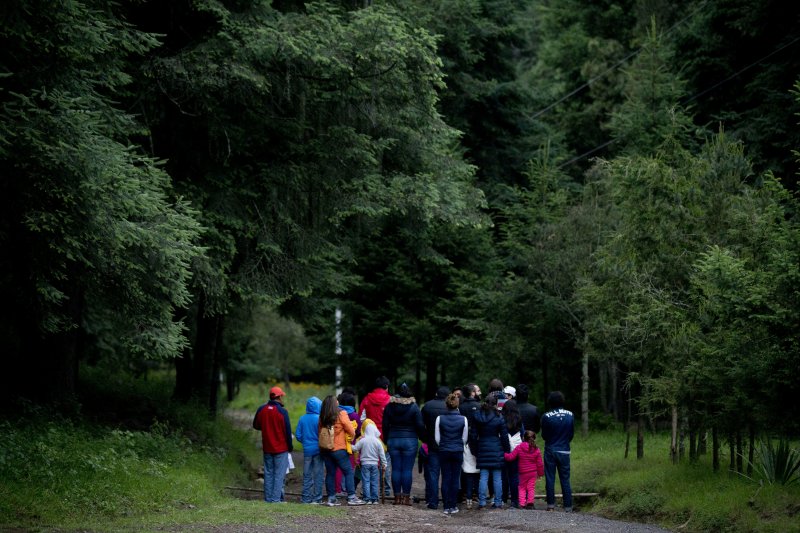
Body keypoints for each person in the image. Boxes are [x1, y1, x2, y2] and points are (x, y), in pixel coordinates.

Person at [319, 395, 366, 506]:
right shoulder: (341, 413)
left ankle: (331, 499)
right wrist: (350, 437)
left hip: (325, 449)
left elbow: (319, 431)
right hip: (339, 448)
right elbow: (351, 430)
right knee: (348, 471)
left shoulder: (322, 416)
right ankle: (351, 497)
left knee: (330, 473)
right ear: (335, 403)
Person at [382, 382, 425, 506]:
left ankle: (396, 498)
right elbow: (420, 425)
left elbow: (385, 425)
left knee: (396, 469)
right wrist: (422, 438)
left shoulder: (389, 406)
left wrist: (386, 439)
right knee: (406, 470)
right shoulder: (414, 407)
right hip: (410, 440)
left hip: (393, 439)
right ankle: (406, 498)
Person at [252, 386, 293, 503]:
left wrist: (266, 427)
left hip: (267, 448)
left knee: (268, 473)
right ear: (279, 397)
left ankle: (268, 499)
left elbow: (256, 425)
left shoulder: (261, 409)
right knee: (279, 475)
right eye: (282, 397)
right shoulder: (282, 412)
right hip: (281, 448)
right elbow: (287, 431)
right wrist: (290, 447)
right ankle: (275, 500)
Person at [472, 394, 510, 510]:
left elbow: (473, 435)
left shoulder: (477, 415)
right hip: (496, 447)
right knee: (497, 478)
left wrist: (475, 450)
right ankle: (498, 502)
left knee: (483, 477)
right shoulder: (499, 416)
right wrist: (506, 449)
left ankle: (482, 502)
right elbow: (504, 436)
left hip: (482, 447)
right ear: (495, 404)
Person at [541, 391, 574, 512]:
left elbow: (544, 435)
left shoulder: (546, 416)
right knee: (565, 478)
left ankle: (550, 505)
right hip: (564, 450)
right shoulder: (570, 415)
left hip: (550, 449)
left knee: (550, 478)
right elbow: (571, 434)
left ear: (550, 402)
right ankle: (568, 506)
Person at [435, 392, 468, 515]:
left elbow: (437, 438)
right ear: (457, 404)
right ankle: (453, 506)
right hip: (457, 451)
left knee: (445, 477)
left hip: (444, 450)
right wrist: (458, 446)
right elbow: (464, 438)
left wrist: (444, 445)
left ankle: (446, 506)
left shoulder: (439, 418)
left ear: (446, 404)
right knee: (455, 478)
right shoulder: (463, 419)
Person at [359, 376, 392, 496]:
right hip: (385, 435)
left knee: (369, 462)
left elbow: (361, 418)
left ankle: (367, 490)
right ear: (386, 387)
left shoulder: (367, 399)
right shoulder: (389, 400)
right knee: (385, 462)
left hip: (369, 436)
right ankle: (386, 490)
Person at [421, 385, 450, 509]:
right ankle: (447, 501)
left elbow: (421, 424)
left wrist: (425, 439)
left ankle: (433, 502)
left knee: (433, 474)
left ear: (436, 394)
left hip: (432, 445)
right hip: (447, 445)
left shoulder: (427, 406)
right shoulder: (451, 407)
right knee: (447, 474)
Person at [504, 430, 544, 509]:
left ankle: (522, 504)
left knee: (522, 487)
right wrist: (540, 474)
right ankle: (530, 503)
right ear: (534, 439)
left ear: (523, 438)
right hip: (533, 472)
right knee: (531, 487)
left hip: (523, 472)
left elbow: (510, 457)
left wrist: (504, 454)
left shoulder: (519, 447)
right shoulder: (536, 449)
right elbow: (540, 464)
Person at [295, 396, 324, 504]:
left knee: (307, 475)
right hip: (318, 450)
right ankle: (317, 498)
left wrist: (306, 442)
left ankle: (306, 498)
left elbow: (298, 435)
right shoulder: (320, 418)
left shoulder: (302, 418)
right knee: (318, 475)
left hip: (307, 451)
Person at [352, 419, 387, 505]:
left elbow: (355, 448)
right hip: (375, 465)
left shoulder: (363, 440)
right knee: (374, 481)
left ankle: (367, 498)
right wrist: (384, 463)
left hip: (365, 464)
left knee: (366, 481)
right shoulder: (377, 442)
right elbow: (382, 454)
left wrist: (348, 445)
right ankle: (374, 499)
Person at [459, 384, 481, 507]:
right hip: (477, 440)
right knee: (477, 468)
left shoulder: (461, 407)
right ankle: (475, 495)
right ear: (472, 393)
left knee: (465, 468)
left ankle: (465, 495)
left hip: (464, 440)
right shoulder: (479, 406)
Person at [501, 399, 523, 507]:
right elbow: (522, 435)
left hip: (504, 451)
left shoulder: (502, 420)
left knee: (503, 475)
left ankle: (503, 499)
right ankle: (515, 500)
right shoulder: (519, 421)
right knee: (515, 476)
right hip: (516, 452)